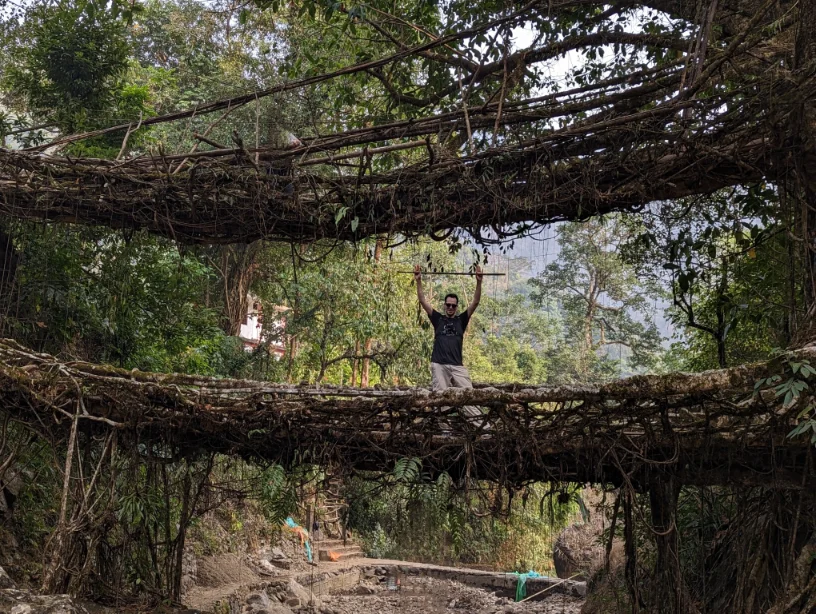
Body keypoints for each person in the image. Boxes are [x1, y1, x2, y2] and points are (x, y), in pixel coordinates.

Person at [413, 264, 482, 392]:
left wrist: (479, 282)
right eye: (448, 305)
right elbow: (422, 300)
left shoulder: (461, 320)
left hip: (457, 365)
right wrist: (418, 280)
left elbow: (475, 302)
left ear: (456, 307)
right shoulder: (437, 319)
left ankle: (477, 413)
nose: (450, 307)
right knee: (440, 398)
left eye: (453, 306)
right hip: (439, 364)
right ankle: (440, 412)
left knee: (469, 394)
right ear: (444, 305)